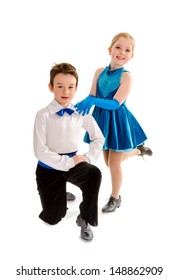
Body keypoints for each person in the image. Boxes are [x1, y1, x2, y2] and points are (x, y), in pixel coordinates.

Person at [74, 32, 153, 213]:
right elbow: (92, 95)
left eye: (127, 50)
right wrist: (79, 107)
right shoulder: (98, 72)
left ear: (131, 56)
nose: (121, 52)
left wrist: (93, 101)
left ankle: (115, 198)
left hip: (117, 120)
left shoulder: (126, 77)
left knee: (114, 166)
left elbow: (115, 103)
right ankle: (138, 150)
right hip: (102, 119)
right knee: (109, 162)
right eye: (118, 47)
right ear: (110, 49)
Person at [33, 63, 105, 241]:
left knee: (94, 174)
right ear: (51, 87)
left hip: (74, 162)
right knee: (53, 218)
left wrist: (87, 159)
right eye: (60, 86)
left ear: (76, 88)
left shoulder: (81, 111)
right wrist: (68, 163)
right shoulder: (43, 115)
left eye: (70, 87)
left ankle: (85, 218)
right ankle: (59, 192)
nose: (65, 91)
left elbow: (99, 138)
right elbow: (40, 151)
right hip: (48, 168)